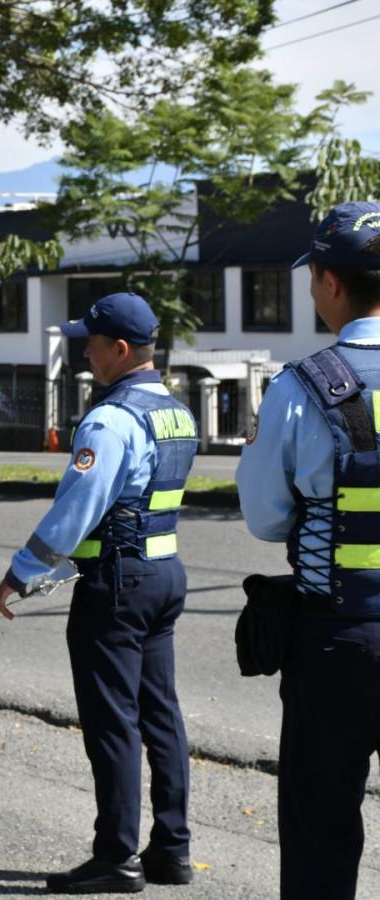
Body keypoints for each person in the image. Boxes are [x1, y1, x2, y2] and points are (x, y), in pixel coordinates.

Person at [0, 293, 197, 894]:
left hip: (116, 586)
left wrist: (22, 572)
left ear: (121, 349)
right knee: (161, 716)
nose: (86, 352)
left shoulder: (111, 420)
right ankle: (172, 850)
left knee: (113, 725)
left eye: (92, 342)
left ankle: (116, 857)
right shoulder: (177, 413)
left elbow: (77, 508)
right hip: (163, 574)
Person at [236, 201, 380, 899]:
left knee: (321, 825)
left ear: (328, 281)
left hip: (336, 643)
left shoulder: (301, 386)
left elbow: (266, 520)